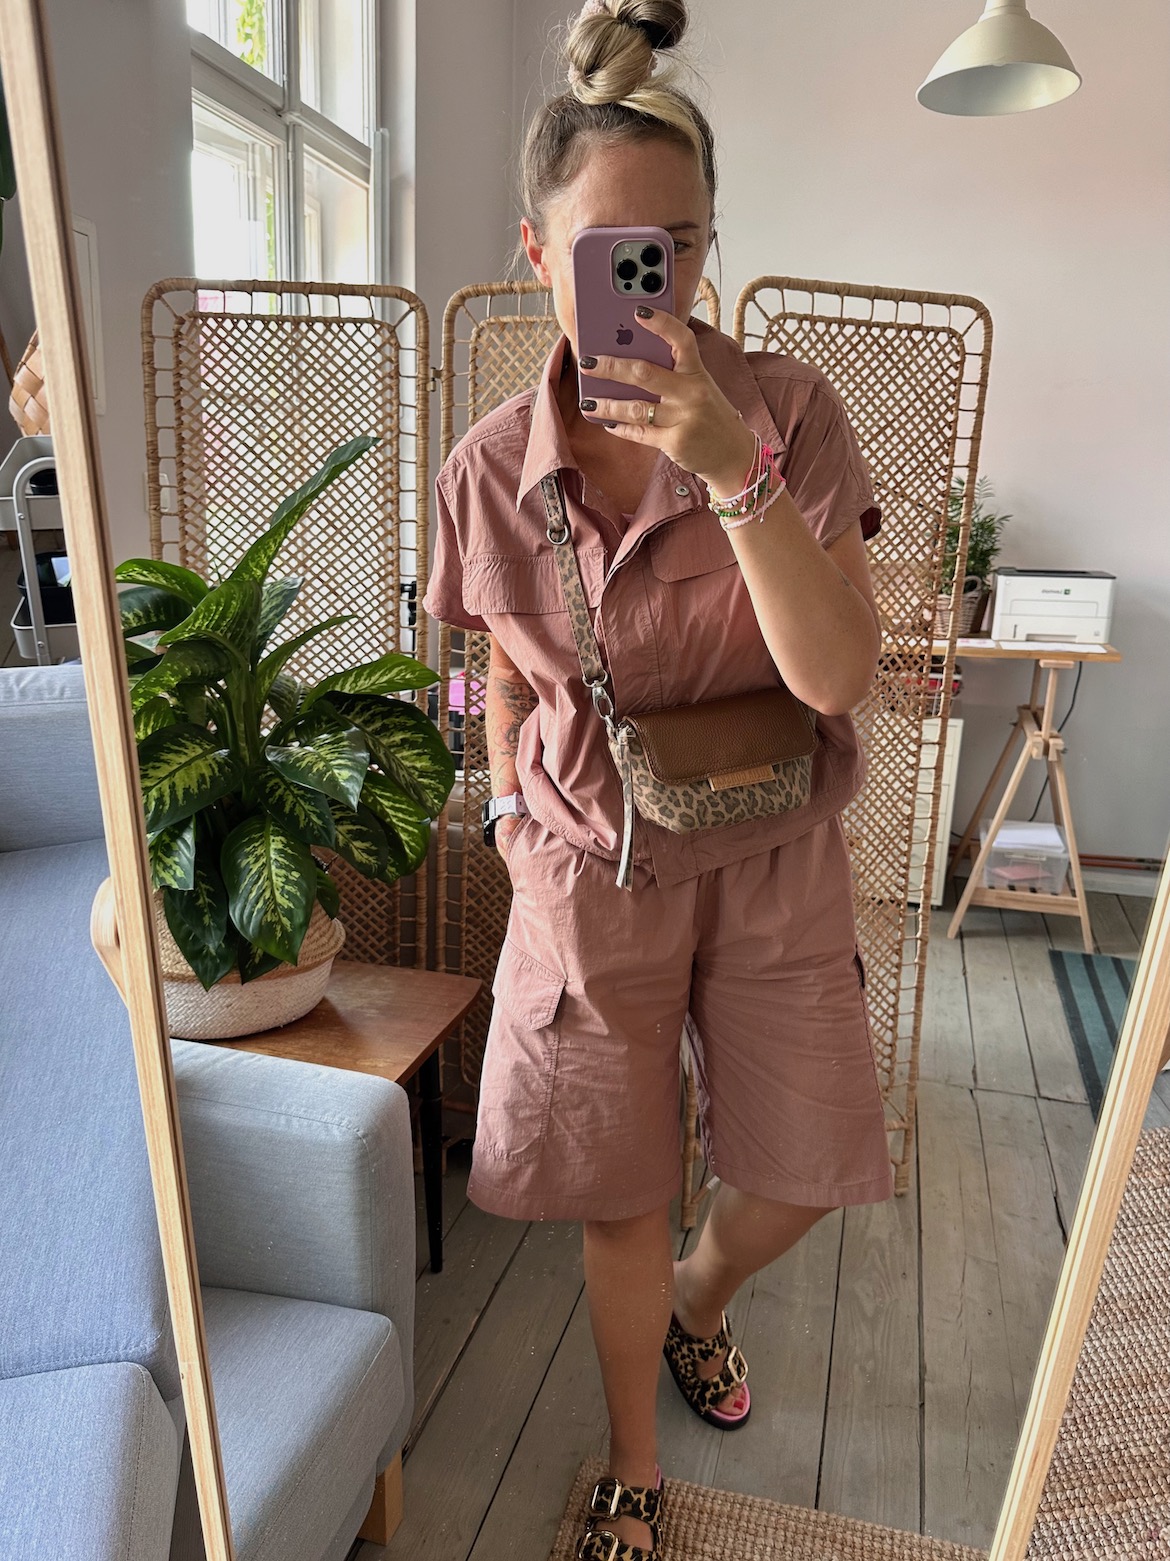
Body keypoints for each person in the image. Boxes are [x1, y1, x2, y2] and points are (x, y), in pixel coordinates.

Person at [422, 2, 893, 1554]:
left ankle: (705, 1291)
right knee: (616, 1185)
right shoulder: (487, 471)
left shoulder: (790, 415)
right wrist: (507, 809)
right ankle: (634, 1462)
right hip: (583, 859)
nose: (651, 287)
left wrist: (727, 467)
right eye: (609, 254)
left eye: (676, 248)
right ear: (535, 253)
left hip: (770, 845)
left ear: (707, 246)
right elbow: (496, 668)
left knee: (804, 1162)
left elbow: (835, 676)